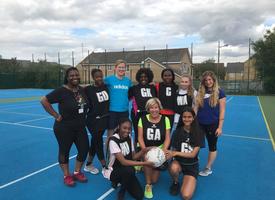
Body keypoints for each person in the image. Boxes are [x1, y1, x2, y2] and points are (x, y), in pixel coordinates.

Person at [40, 67, 89, 187]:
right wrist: (55, 115)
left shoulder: (81, 90)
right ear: (67, 77)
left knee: (84, 149)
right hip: (64, 128)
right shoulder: (61, 91)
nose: (75, 77)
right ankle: (67, 175)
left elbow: (87, 88)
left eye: (76, 75)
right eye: (71, 75)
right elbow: (43, 100)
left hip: (80, 127)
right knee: (64, 151)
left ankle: (77, 172)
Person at [102, 118, 153, 200]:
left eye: (129, 129)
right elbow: (123, 162)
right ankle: (121, 191)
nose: (127, 131)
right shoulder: (113, 141)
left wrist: (144, 150)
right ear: (119, 127)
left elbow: (133, 157)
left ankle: (123, 180)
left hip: (126, 170)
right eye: (124, 128)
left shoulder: (129, 137)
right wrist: (145, 163)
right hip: (113, 171)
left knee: (139, 196)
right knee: (130, 170)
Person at [166, 107, 204, 199]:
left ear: (193, 118)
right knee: (173, 167)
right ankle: (175, 182)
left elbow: (193, 155)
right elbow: (173, 149)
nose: (186, 119)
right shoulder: (177, 132)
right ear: (181, 118)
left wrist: (175, 153)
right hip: (178, 163)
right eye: (184, 117)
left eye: (189, 117)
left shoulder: (199, 132)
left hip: (192, 166)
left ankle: (188, 179)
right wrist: (167, 157)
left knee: (186, 196)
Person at [137, 97, 171, 199]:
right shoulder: (142, 119)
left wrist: (163, 151)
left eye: (156, 107)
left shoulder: (165, 119)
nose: (154, 110)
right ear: (148, 109)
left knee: (154, 180)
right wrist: (145, 151)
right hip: (145, 147)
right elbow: (140, 137)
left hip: (159, 148)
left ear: (159, 108)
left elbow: (167, 138)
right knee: (149, 161)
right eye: (151, 108)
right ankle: (148, 185)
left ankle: (142, 166)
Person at [195, 71, 226, 176]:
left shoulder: (220, 92)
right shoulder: (200, 92)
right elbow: (195, 108)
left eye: (210, 80)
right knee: (196, 143)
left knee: (212, 146)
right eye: (206, 80)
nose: (208, 82)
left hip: (213, 124)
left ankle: (208, 168)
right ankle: (193, 160)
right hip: (199, 123)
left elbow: (222, 110)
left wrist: (220, 127)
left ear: (213, 80)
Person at [84, 68, 109, 174]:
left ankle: (88, 164)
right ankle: (104, 165)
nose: (99, 78)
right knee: (98, 141)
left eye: (100, 76)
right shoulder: (88, 89)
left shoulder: (106, 87)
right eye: (97, 76)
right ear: (93, 78)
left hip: (104, 119)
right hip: (93, 120)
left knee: (95, 141)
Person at [128, 68, 156, 147]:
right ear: (138, 78)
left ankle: (148, 151)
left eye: (145, 76)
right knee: (138, 134)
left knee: (149, 133)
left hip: (150, 114)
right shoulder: (134, 88)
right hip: (137, 115)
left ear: (149, 77)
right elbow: (127, 98)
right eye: (141, 77)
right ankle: (137, 151)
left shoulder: (153, 88)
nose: (143, 78)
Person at [104, 59, 132, 138]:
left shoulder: (128, 81)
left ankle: (123, 150)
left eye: (123, 67)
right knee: (111, 134)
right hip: (112, 111)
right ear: (115, 68)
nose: (121, 69)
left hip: (124, 111)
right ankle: (109, 150)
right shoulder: (109, 79)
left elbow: (130, 93)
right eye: (119, 67)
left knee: (123, 133)